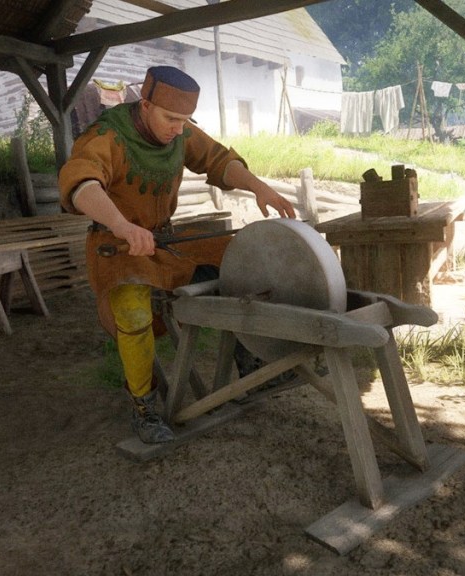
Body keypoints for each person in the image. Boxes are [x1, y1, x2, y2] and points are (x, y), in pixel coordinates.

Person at [58, 66, 296, 444]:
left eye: (185, 120)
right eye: (171, 118)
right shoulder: (106, 135)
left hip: (165, 242)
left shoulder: (179, 130)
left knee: (238, 260)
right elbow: (80, 184)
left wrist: (258, 187)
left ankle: (251, 365)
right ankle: (144, 407)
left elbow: (218, 160)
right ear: (145, 105)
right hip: (117, 246)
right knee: (133, 310)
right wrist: (122, 225)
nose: (178, 129)